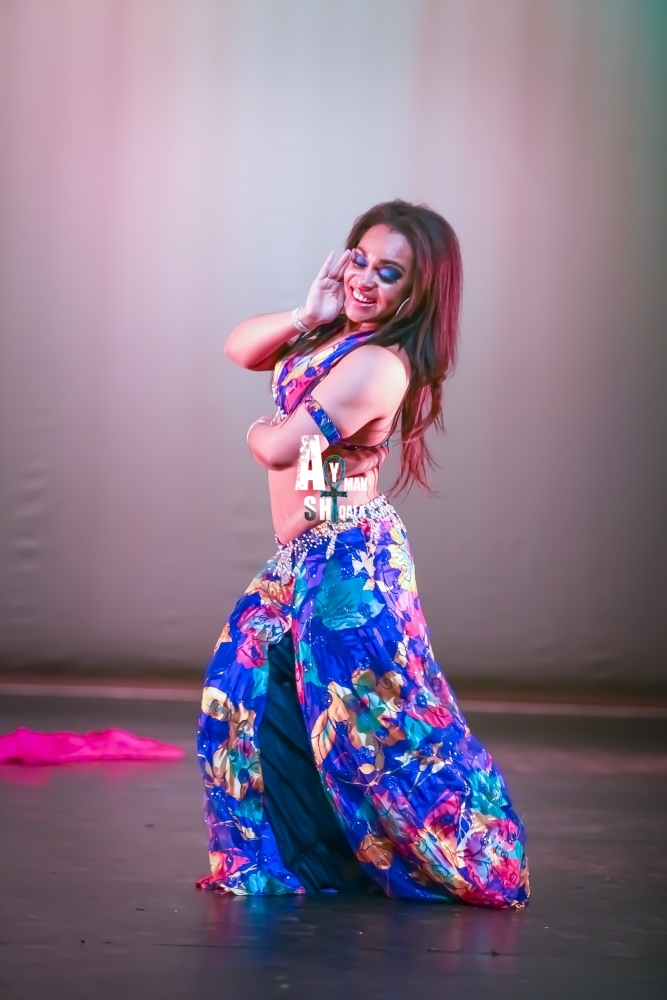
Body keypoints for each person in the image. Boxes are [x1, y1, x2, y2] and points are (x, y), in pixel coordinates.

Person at [197, 199, 530, 908]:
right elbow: (240, 347)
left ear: (417, 293)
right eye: (360, 260)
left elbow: (280, 448)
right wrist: (306, 314)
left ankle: (477, 857)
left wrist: (261, 427)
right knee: (255, 694)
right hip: (308, 550)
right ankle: (305, 858)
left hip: (348, 561)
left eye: (389, 273)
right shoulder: (334, 338)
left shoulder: (378, 364)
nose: (364, 280)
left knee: (378, 729)